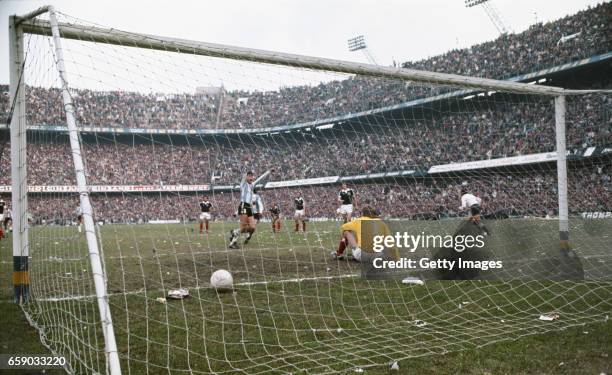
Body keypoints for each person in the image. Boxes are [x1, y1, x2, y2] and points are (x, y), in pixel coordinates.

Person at [228, 170, 257, 249]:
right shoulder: (243, 184)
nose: (251, 177)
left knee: (253, 227)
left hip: (249, 208)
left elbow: (260, 179)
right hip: (243, 206)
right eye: (249, 176)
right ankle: (232, 243)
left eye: (252, 176)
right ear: (246, 177)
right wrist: (246, 176)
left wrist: (269, 172)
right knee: (243, 227)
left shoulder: (252, 185)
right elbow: (244, 178)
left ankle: (235, 232)